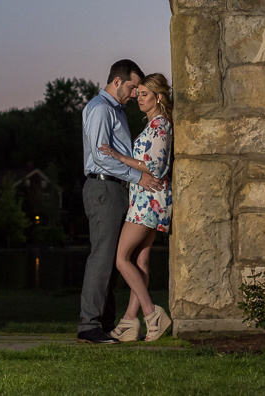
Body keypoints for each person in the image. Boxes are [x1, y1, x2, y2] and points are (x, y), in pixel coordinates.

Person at [77, 60, 165, 345]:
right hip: (104, 187)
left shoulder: (115, 111)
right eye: (130, 87)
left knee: (115, 260)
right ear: (117, 82)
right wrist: (136, 177)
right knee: (103, 257)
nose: (133, 94)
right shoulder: (101, 109)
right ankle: (89, 326)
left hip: (117, 189)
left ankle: (106, 323)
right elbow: (102, 157)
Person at [98, 73, 174, 342]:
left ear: (159, 97)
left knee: (121, 259)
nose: (138, 98)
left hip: (148, 201)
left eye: (145, 94)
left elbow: (155, 167)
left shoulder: (161, 125)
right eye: (138, 93)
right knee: (139, 261)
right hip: (145, 198)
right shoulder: (153, 124)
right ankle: (130, 321)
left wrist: (120, 157)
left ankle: (152, 314)